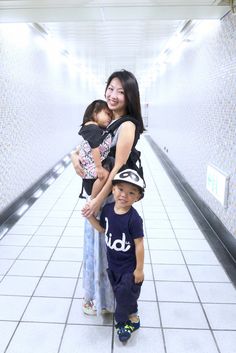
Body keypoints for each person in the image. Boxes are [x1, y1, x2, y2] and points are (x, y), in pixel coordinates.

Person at [71, 69, 145, 316]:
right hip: (96, 195)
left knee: (108, 248)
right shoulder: (105, 118)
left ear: (130, 96)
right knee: (95, 245)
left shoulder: (127, 125)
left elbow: (118, 167)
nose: (113, 95)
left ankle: (109, 301)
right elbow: (85, 145)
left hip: (111, 198)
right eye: (111, 88)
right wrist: (74, 158)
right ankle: (95, 297)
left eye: (121, 92)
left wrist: (97, 201)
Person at [86, 168, 145, 342]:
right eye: (120, 189)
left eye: (131, 192)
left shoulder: (134, 219)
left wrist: (139, 269)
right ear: (113, 189)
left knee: (123, 294)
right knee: (125, 294)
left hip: (129, 268)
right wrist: (90, 218)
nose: (124, 195)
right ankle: (133, 316)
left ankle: (122, 324)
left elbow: (139, 244)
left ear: (137, 198)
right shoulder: (108, 210)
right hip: (113, 265)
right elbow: (103, 230)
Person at [76, 99, 113, 199]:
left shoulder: (89, 128)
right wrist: (99, 167)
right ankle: (91, 199)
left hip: (88, 168)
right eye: (107, 114)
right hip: (92, 169)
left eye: (111, 116)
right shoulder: (94, 128)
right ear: (95, 112)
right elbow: (94, 148)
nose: (109, 118)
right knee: (104, 174)